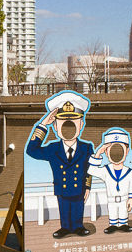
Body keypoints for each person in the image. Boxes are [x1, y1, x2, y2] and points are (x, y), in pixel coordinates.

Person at [26, 91, 94, 238]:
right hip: (61, 187)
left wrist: (88, 186)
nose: (68, 128)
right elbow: (31, 150)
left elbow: (90, 169)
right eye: (63, 124)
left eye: (73, 123)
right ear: (55, 126)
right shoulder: (52, 149)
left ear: (81, 124)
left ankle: (78, 226)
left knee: (77, 207)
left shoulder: (86, 147)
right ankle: (65, 227)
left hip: (79, 187)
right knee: (64, 208)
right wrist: (43, 124)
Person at [88, 127, 132, 234]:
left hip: (124, 199)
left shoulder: (129, 171)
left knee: (123, 213)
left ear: (127, 151)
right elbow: (91, 170)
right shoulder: (106, 170)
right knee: (113, 212)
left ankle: (124, 224)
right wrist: (98, 153)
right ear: (107, 152)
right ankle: (113, 225)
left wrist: (131, 199)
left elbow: (131, 186)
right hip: (111, 199)